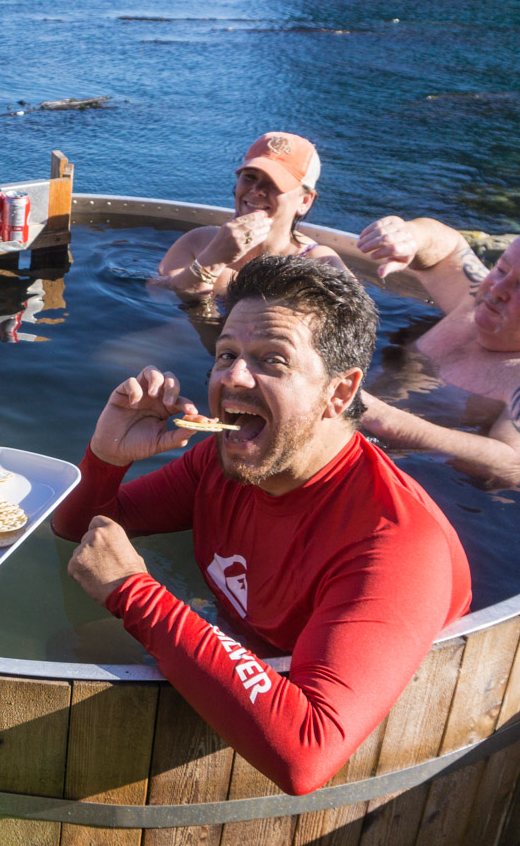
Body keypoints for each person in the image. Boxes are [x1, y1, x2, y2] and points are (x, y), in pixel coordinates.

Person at [52, 255, 471, 796]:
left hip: (349, 742)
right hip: (251, 652)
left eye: (272, 361)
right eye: (226, 355)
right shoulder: (225, 461)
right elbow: (79, 532)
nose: (233, 378)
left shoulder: (394, 542)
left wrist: (136, 594)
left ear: (340, 393)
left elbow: (307, 756)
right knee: (71, 645)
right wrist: (107, 457)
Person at [355, 219, 520, 487]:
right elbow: (448, 249)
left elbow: (512, 464)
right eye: (501, 268)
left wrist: (383, 419)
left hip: (405, 478)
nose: (496, 290)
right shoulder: (479, 299)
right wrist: (412, 236)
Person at [158, 132, 345, 298]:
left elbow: (356, 326)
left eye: (274, 183)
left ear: (304, 201)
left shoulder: (320, 263)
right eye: (250, 177)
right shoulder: (198, 242)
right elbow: (156, 296)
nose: (256, 190)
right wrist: (212, 260)